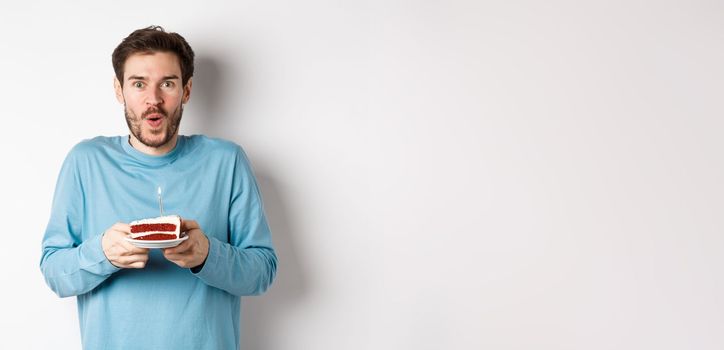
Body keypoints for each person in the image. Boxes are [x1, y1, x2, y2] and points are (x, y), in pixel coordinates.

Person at [39, 26, 277, 350]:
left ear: (187, 90)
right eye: (139, 84)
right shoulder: (86, 163)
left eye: (167, 83)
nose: (154, 99)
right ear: (119, 90)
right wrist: (103, 253)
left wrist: (207, 254)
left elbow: (262, 271)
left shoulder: (227, 162)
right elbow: (54, 271)